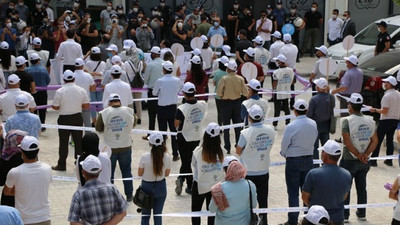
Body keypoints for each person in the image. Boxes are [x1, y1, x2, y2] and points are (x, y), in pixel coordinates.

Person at [340, 93, 378, 222]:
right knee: (362, 187)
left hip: (349, 160)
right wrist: (365, 155)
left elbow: (347, 142)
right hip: (364, 161)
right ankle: (362, 213)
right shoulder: (370, 120)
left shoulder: (347, 121)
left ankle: (345, 215)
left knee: (346, 187)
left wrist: (358, 155)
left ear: (349, 106)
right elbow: (375, 141)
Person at [280, 99, 318, 225]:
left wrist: (285, 154)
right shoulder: (313, 123)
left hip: (293, 161)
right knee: (307, 191)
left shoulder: (291, 126)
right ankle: (309, 218)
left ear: (295, 111)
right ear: (306, 111)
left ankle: (293, 220)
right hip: (308, 159)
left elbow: (284, 145)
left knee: (293, 192)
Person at [237, 104, 275, 225]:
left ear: (249, 117)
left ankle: (250, 221)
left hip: (248, 171)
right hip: (263, 169)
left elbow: (238, 150)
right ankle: (264, 221)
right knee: (263, 199)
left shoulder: (246, 133)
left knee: (248, 201)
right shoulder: (270, 130)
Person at [4, 136, 52, 225]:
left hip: (24, 220)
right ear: (38, 151)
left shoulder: (14, 172)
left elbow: (7, 192)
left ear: (22, 152)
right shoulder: (47, 168)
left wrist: (20, 191)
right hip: (44, 217)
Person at [96, 93, 135, 202]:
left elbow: (98, 128)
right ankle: (129, 195)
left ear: (109, 102)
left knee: (109, 173)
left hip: (110, 148)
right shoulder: (129, 111)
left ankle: (111, 195)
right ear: (120, 101)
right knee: (127, 171)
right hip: (126, 146)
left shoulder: (104, 113)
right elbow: (134, 123)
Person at [302, 140, 352, 224]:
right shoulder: (347, 175)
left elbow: (305, 197)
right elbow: (344, 196)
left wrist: (313, 207)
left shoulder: (313, 174)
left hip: (317, 220)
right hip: (338, 218)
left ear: (325, 155)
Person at [68, 155, 128, 225]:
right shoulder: (112, 189)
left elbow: (73, 222)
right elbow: (123, 212)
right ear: (100, 171)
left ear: (83, 172)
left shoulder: (78, 195)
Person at [51, 70, 89, 171]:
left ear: (64, 79)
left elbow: (55, 107)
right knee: (78, 142)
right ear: (74, 78)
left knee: (63, 142)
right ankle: (79, 163)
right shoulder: (81, 90)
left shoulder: (60, 91)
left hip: (64, 118)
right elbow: (86, 105)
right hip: (77, 117)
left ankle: (62, 164)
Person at [174, 82, 208, 195]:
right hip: (197, 136)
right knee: (191, 161)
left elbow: (176, 124)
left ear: (184, 93)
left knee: (186, 162)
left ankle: (190, 185)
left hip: (184, 138)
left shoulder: (182, 108)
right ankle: (181, 179)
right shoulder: (203, 104)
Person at [191, 123, 225, 225]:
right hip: (216, 186)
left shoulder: (197, 151)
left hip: (199, 185)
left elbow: (193, 164)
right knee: (213, 213)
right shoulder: (222, 151)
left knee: (196, 212)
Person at [138, 131, 171, 225]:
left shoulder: (144, 157)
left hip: (146, 187)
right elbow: (167, 173)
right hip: (161, 186)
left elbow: (140, 173)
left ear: (150, 143)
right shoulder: (166, 156)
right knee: (158, 216)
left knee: (145, 216)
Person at [209, 160, 257, 225]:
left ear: (228, 171)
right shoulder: (250, 185)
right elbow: (254, 205)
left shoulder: (218, 188)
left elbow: (212, 210)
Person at [216, 60, 248, 154]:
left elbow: (218, 93)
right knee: (238, 126)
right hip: (237, 103)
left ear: (229, 68)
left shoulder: (224, 79)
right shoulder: (241, 78)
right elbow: (245, 93)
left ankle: (227, 147)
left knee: (226, 127)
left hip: (226, 103)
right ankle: (239, 146)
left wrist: (223, 96)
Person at [153, 61, 181, 160]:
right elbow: (179, 91)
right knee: (174, 132)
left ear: (164, 70)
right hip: (173, 108)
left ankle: (163, 153)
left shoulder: (160, 81)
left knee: (162, 132)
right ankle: (175, 154)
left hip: (162, 108)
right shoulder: (177, 80)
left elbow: (154, 92)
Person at [370, 76, 400, 166]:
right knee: (389, 140)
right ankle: (389, 160)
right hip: (395, 120)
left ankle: (374, 160)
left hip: (385, 120)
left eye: (386, 82)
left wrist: (375, 110)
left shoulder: (387, 96)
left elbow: (384, 111)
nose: (384, 84)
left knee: (377, 140)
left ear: (390, 84)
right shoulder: (398, 94)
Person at [307, 78, 335, 163]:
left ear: (318, 87)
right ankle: (326, 163)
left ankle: (315, 165)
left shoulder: (314, 99)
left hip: (315, 126)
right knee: (326, 147)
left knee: (315, 148)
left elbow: (309, 114)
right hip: (327, 125)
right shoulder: (331, 98)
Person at [0, 130, 26, 207]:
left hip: (9, 198)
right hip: (26, 196)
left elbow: (1, 181)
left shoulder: (5, 157)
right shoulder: (28, 156)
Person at [25, 53, 50, 128]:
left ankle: (34, 124)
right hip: (42, 92)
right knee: (42, 108)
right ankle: (42, 124)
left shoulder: (27, 70)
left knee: (32, 108)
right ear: (38, 60)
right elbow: (48, 80)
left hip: (31, 91)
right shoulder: (43, 69)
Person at [143, 46, 163, 137]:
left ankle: (150, 134)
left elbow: (146, 80)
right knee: (161, 114)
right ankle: (163, 134)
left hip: (152, 92)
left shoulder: (150, 65)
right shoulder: (165, 64)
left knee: (152, 115)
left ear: (154, 54)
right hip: (163, 92)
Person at [85, 46, 106, 125]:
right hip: (100, 83)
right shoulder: (103, 63)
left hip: (91, 83)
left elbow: (86, 71)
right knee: (100, 103)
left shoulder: (88, 63)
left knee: (93, 103)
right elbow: (103, 73)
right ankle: (101, 121)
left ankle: (94, 121)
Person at [272, 54, 294, 130]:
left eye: (278, 61)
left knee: (277, 109)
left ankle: (275, 124)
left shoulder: (276, 72)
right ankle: (288, 123)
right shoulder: (290, 70)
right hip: (287, 91)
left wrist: (273, 90)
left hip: (278, 92)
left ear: (280, 62)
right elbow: (292, 81)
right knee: (286, 108)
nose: (277, 62)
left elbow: (275, 82)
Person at [73, 58, 96, 128]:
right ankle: (88, 137)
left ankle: (74, 138)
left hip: (74, 102)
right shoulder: (88, 76)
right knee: (87, 122)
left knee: (75, 123)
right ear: (83, 66)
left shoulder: (72, 76)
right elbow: (93, 89)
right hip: (85, 101)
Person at [213, 56, 229, 125]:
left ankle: (220, 126)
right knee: (226, 112)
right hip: (227, 95)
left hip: (218, 95)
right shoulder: (228, 73)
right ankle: (225, 126)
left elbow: (214, 83)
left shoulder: (216, 72)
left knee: (219, 112)